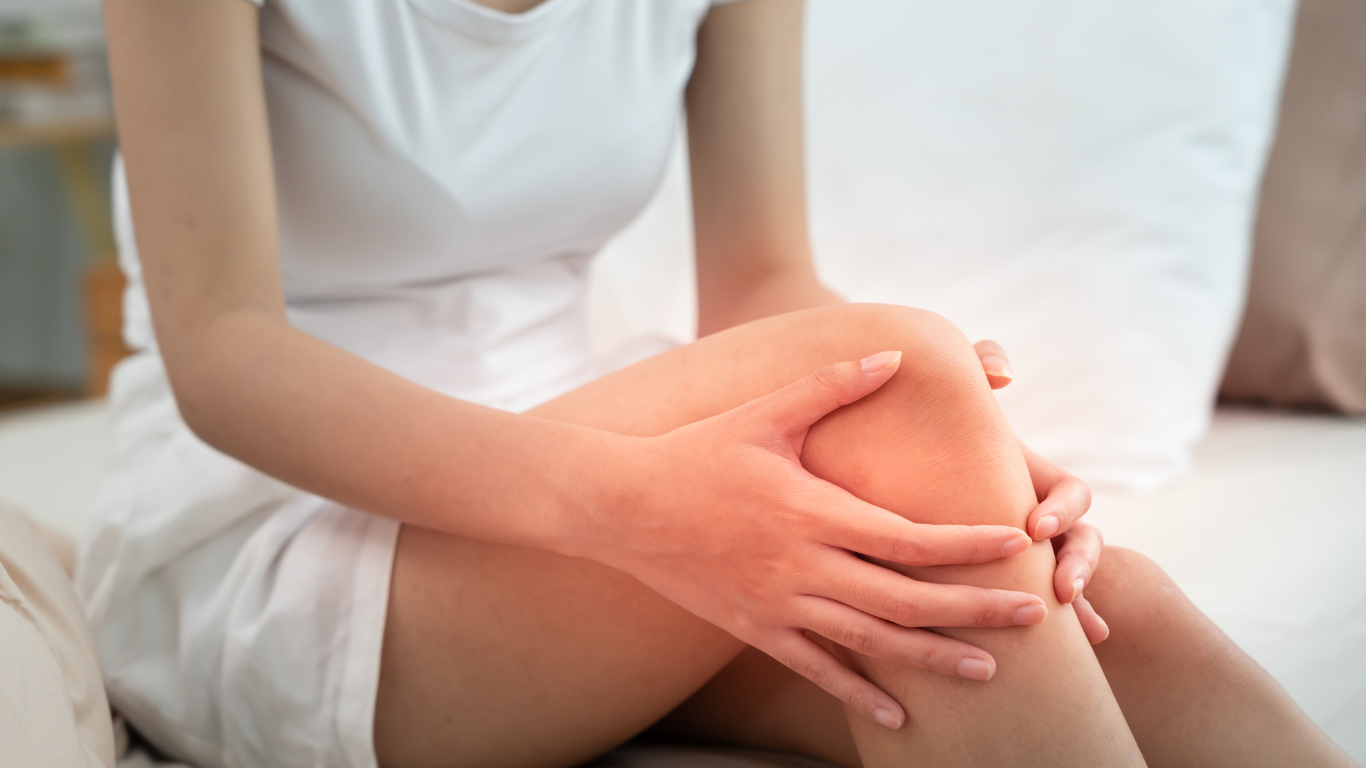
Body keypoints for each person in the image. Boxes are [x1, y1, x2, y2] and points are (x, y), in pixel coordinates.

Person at [80, 0, 1356, 766]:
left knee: (1085, 607)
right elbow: (228, 355)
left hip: (587, 468)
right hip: (290, 523)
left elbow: (758, 282)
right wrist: (638, 504)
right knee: (909, 387)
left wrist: (981, 456)